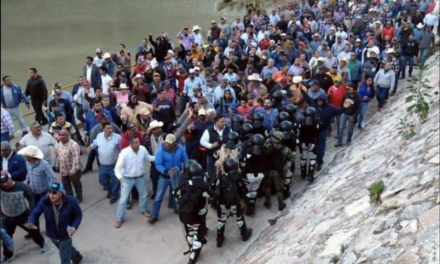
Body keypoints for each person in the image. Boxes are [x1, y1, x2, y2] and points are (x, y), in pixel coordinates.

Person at [26, 183, 83, 264]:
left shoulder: (71, 201)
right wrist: (31, 222)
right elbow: (35, 213)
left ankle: (74, 257)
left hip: (65, 234)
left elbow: (78, 215)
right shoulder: (45, 201)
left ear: (61, 193)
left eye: (54, 193)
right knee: (64, 248)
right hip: (52, 234)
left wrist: (74, 227)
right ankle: (76, 256)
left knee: (64, 258)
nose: (51, 195)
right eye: (49, 192)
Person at [173, 161, 210, 264]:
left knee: (189, 232)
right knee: (198, 233)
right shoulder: (203, 185)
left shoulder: (183, 183)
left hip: (186, 213)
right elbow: (211, 194)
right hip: (200, 214)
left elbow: (175, 193)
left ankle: (192, 249)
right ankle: (193, 257)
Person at [114, 137, 155, 228]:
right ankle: (119, 218)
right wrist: (120, 178)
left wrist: (158, 157)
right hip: (127, 179)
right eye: (136, 143)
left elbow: (148, 157)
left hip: (140, 177)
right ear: (131, 144)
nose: (138, 144)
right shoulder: (124, 153)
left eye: (138, 142)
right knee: (123, 199)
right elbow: (117, 169)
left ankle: (143, 210)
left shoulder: (143, 149)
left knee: (144, 194)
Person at [0, 173, 46, 254]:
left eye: (6, 181)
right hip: (7, 216)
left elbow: (31, 199)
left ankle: (41, 244)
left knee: (33, 231)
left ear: (11, 179)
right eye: (2, 182)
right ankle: (7, 255)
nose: (5, 184)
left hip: (22, 215)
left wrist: (32, 214)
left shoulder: (21, 186)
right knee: (6, 236)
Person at [214, 157, 252, 248]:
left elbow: (215, 189)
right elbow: (243, 189)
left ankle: (219, 239)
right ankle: (244, 234)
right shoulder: (238, 176)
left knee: (221, 220)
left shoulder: (221, 177)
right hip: (234, 202)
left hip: (222, 203)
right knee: (239, 217)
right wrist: (247, 201)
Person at [150, 134, 188, 224]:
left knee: (176, 194)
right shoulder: (161, 151)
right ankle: (154, 215)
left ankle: (177, 209)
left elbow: (186, 161)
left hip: (176, 176)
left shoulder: (180, 148)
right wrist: (166, 171)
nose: (167, 144)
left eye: (170, 143)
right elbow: (158, 164)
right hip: (164, 177)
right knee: (158, 196)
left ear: (175, 143)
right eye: (166, 142)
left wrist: (181, 168)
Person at [18, 145, 56, 232]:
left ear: (32, 156)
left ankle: (52, 230)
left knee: (48, 213)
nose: (25, 157)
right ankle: (35, 230)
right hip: (33, 192)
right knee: (34, 213)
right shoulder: (28, 163)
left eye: (26, 156)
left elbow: (52, 177)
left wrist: (50, 191)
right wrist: (26, 182)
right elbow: (29, 174)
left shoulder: (44, 164)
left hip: (44, 192)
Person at [89, 122, 122, 204]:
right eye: (108, 128)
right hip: (103, 165)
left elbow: (122, 149)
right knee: (102, 180)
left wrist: (119, 156)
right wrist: (90, 147)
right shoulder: (99, 136)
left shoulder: (117, 137)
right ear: (103, 129)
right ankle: (111, 190)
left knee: (115, 181)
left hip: (114, 165)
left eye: (111, 128)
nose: (110, 130)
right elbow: (95, 143)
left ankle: (114, 195)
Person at [263, 131, 294, 211]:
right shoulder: (285, 149)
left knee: (267, 186)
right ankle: (281, 204)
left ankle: (267, 202)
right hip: (278, 171)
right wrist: (287, 164)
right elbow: (291, 157)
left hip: (268, 170)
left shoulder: (268, 147)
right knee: (279, 189)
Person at [56, 130, 83, 202]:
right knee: (66, 185)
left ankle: (79, 197)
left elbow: (76, 159)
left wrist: (73, 171)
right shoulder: (60, 144)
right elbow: (58, 155)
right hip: (64, 170)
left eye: (63, 138)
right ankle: (70, 199)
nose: (61, 139)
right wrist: (57, 165)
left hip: (73, 170)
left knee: (76, 184)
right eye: (60, 138)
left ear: (68, 136)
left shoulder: (74, 145)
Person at [242, 133, 266, 215]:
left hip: (249, 175)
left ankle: (249, 208)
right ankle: (253, 206)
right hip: (260, 175)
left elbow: (243, 162)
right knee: (254, 191)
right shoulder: (264, 150)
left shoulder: (248, 150)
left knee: (248, 191)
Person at [335, 82, 361, 147]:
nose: (349, 90)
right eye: (349, 89)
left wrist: (355, 116)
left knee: (350, 129)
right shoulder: (346, 94)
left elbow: (358, 108)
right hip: (344, 113)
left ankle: (348, 141)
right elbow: (342, 102)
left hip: (352, 115)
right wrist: (341, 110)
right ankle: (339, 142)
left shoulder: (357, 98)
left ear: (355, 90)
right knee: (341, 128)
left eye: (351, 89)